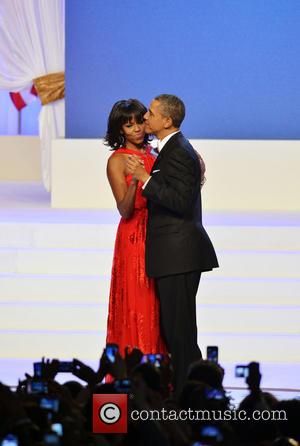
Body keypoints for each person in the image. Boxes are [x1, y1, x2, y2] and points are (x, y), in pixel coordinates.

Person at [126, 94, 219, 395]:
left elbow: (180, 201)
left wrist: (144, 178)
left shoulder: (179, 151)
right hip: (174, 254)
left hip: (179, 254)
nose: (145, 118)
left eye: (151, 113)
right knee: (177, 331)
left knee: (179, 333)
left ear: (167, 120)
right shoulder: (172, 150)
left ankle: (189, 398)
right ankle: (192, 392)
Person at [105, 99, 166, 356]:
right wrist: (134, 182)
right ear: (120, 130)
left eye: (140, 121)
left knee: (159, 305)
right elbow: (124, 209)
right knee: (139, 302)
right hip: (134, 238)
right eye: (129, 126)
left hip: (159, 232)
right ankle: (134, 373)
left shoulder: (156, 154)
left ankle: (161, 377)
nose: (137, 129)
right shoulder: (117, 161)